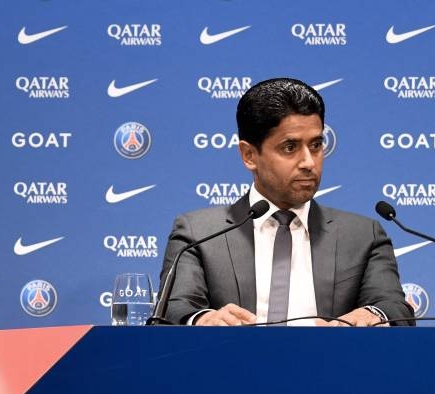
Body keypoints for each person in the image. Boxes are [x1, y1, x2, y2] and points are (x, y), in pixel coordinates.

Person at [159, 77, 413, 327]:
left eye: (316, 145)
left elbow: (393, 306)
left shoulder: (363, 236)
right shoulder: (198, 234)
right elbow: (174, 308)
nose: (309, 163)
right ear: (249, 155)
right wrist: (203, 319)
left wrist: (371, 314)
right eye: (290, 147)